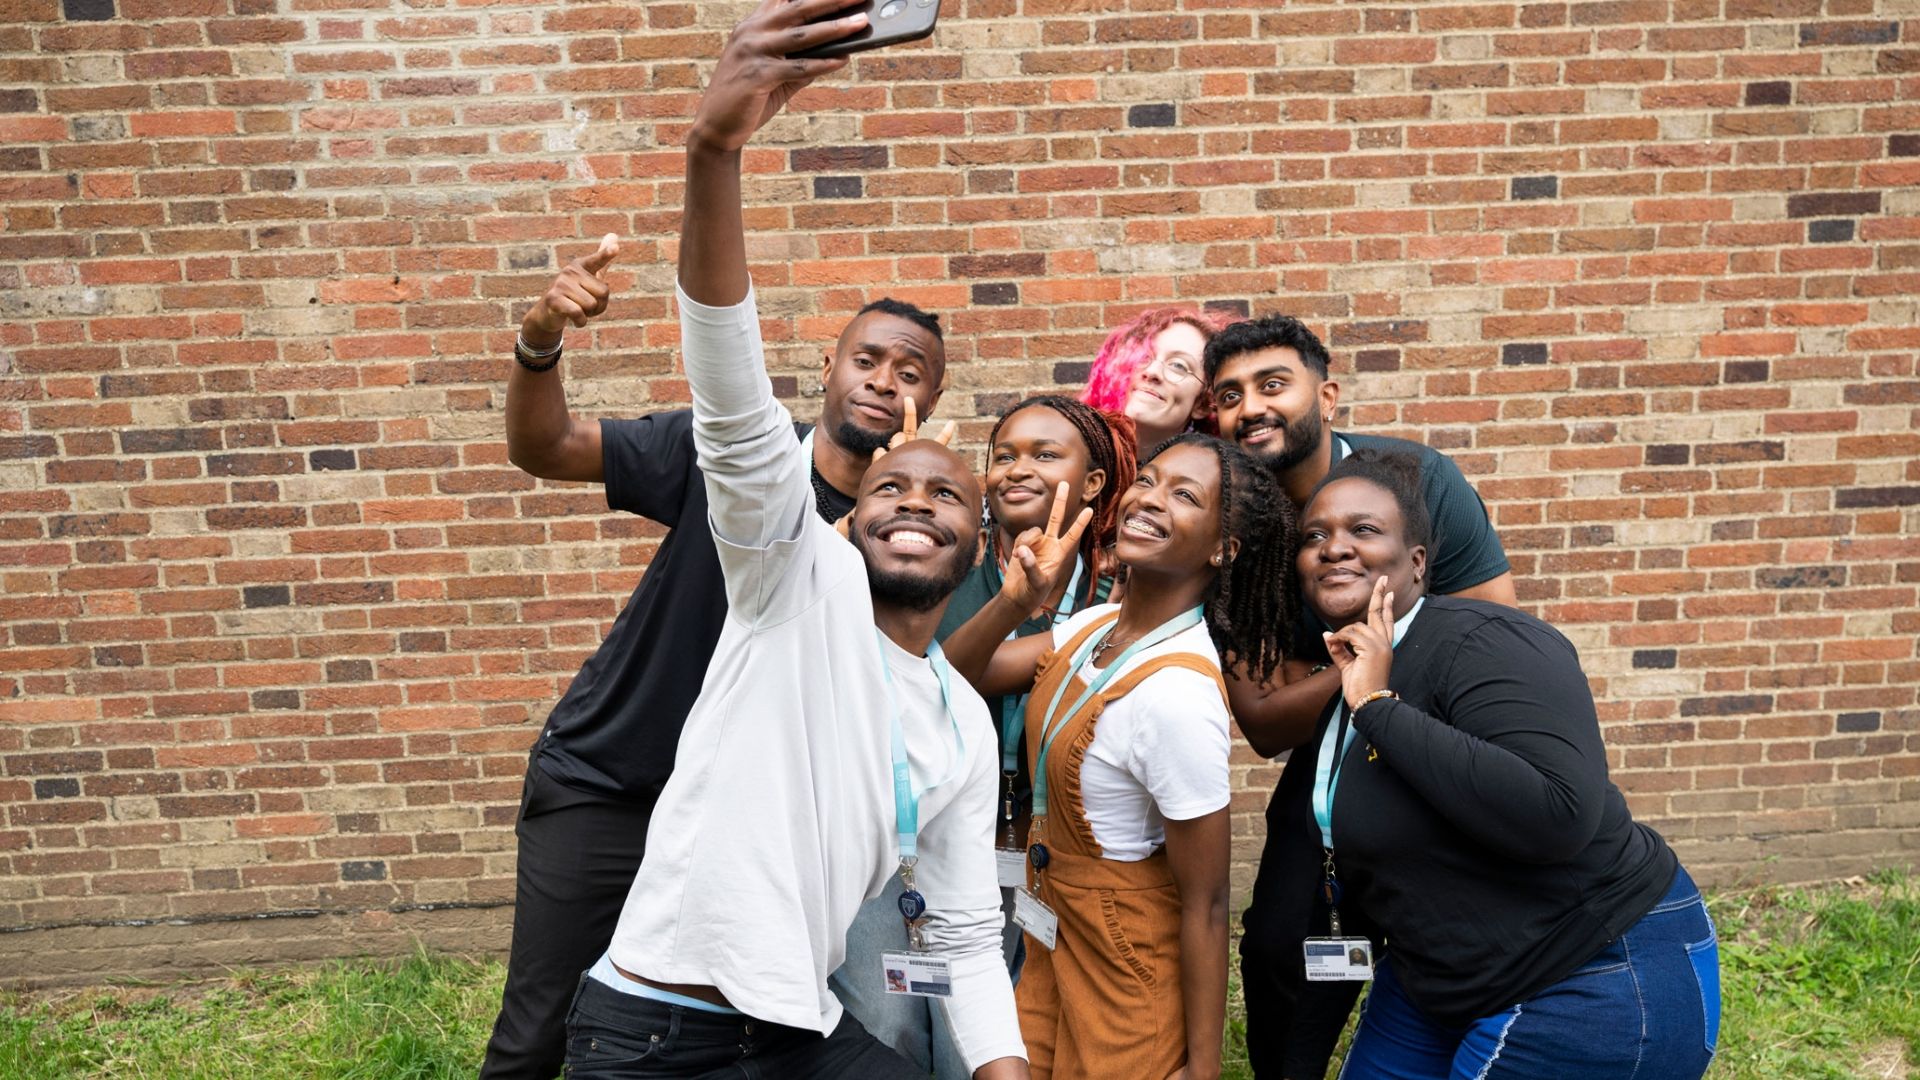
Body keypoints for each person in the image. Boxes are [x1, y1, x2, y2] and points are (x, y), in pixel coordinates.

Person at [566, 5, 1035, 1077]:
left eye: (948, 497)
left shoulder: (960, 720)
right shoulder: (793, 581)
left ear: (979, 549)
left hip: (798, 1034)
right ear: (849, 520)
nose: (916, 500)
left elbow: (963, 929)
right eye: (892, 488)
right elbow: (729, 392)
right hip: (656, 1034)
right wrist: (713, 150)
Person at [479, 27, 954, 1080]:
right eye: (866, 357)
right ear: (827, 370)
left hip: (750, 824)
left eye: (910, 367)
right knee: (537, 1034)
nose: (884, 377)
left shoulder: (911, 540)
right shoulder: (734, 457)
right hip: (614, 777)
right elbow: (543, 447)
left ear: (934, 398)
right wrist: (539, 341)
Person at [1290, 449, 1718, 1079]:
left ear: (1416, 564)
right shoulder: (1355, 667)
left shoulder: (1487, 640)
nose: (1334, 547)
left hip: (1590, 971)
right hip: (1436, 981)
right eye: (1315, 536)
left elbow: (1558, 813)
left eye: (1364, 529)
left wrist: (1379, 707)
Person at [1203, 314, 1517, 1079]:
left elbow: (1497, 632)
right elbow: (1269, 725)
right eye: (1230, 395)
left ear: (1328, 395)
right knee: (1280, 945)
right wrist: (1363, 668)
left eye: (1273, 384)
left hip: (1441, 742)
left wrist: (1374, 672)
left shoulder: (1416, 483)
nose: (1252, 408)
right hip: (1329, 760)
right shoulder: (1234, 525)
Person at [944, 433, 1298, 1080]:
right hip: (1051, 933)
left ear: (1223, 548)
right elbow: (954, 677)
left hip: (1126, 961)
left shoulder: (1178, 695)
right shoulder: (1091, 629)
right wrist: (1016, 601)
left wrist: (1201, 1066)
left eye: (1184, 495)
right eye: (1150, 480)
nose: (1150, 500)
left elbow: (1209, 900)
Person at [833, 395, 1138, 1080]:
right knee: (891, 1019)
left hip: (1035, 846)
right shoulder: (939, 561)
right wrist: (1045, 625)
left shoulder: (1120, 586)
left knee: (990, 1012)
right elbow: (939, 679)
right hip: (912, 832)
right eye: (1003, 456)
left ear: (1092, 484)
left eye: (1044, 454)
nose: (1016, 469)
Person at [1080, 307, 1223, 454]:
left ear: (1202, 404)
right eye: (1144, 356)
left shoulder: (1212, 474)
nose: (1152, 371)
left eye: (1178, 365)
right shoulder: (1072, 457)